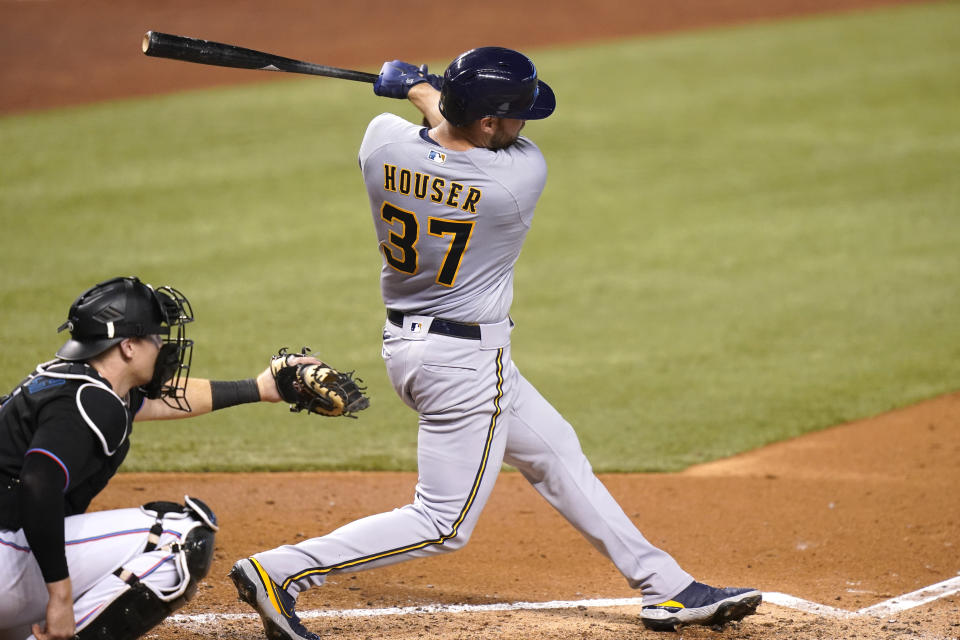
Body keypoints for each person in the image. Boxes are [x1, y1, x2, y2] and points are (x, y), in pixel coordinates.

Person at [229, 48, 761, 638]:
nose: (523, 125)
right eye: (513, 115)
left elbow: (435, 125)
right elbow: (447, 119)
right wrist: (420, 85)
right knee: (442, 523)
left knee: (554, 452)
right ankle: (280, 571)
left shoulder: (379, 145)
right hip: (464, 364)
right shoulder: (516, 179)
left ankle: (667, 588)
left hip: (411, 347)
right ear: (488, 123)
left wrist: (421, 92)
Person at [0, 276, 321, 640]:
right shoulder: (89, 402)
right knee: (178, 536)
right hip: (4, 557)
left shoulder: (69, 381)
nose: (162, 345)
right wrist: (60, 597)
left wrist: (259, 388)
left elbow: (165, 398)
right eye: (155, 337)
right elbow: (38, 483)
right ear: (128, 347)